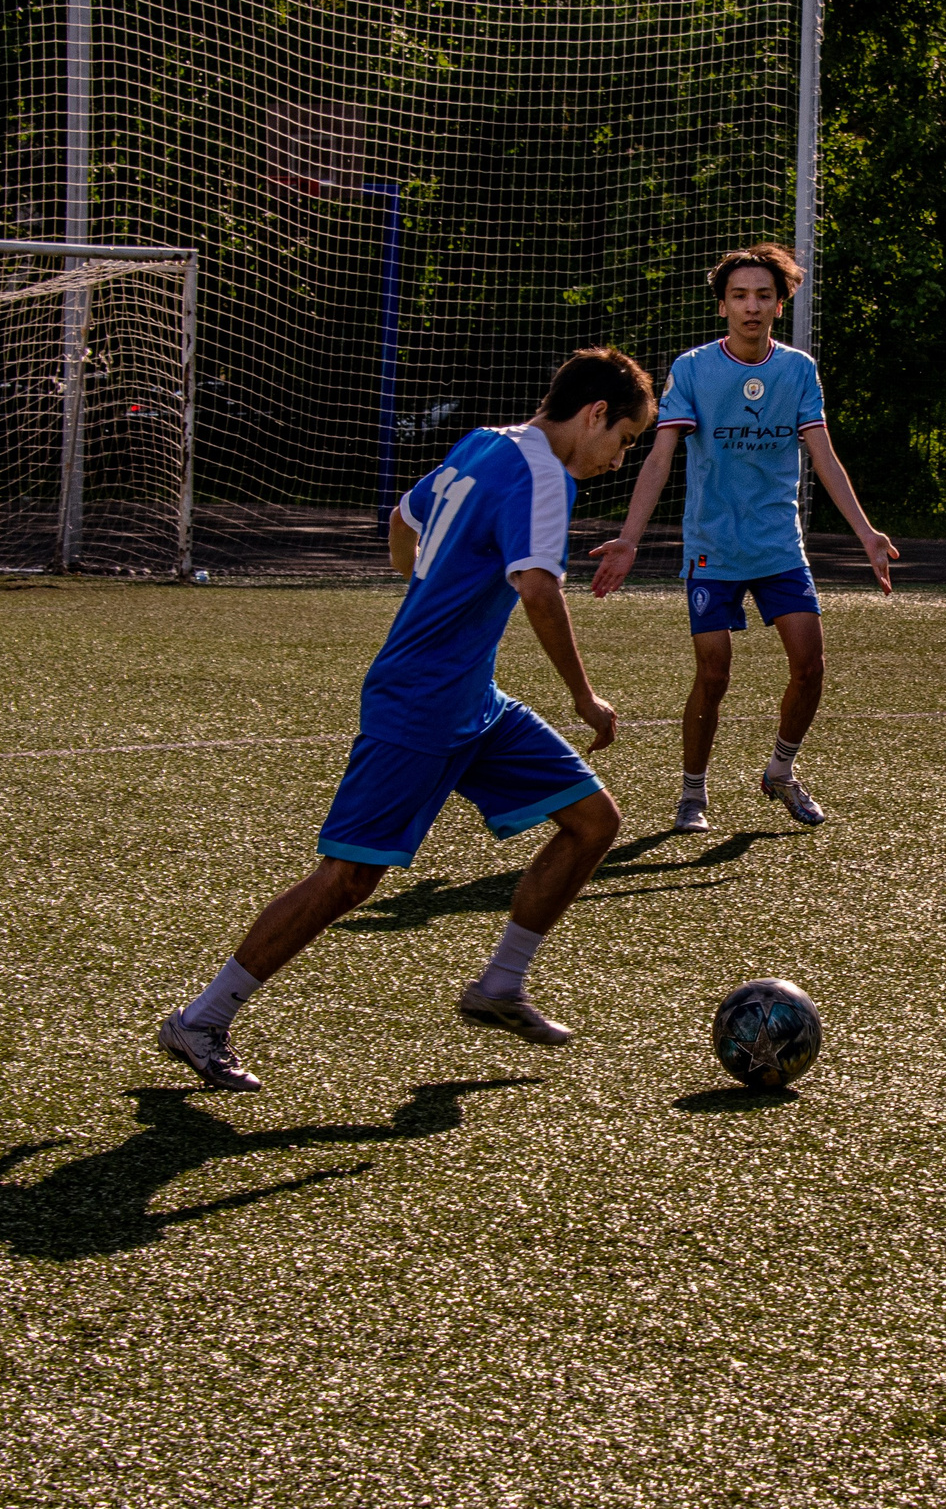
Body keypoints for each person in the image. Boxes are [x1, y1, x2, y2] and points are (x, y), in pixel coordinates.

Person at [156, 349, 652, 1093]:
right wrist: (584, 697)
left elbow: (403, 518)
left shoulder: (486, 440)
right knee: (348, 877)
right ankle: (201, 1018)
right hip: (420, 701)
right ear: (594, 415)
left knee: (593, 820)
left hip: (471, 701)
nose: (620, 459)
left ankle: (500, 984)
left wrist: (423, 587)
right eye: (625, 439)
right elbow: (540, 592)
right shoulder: (545, 475)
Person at [586, 244, 897, 833]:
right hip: (713, 547)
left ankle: (780, 771)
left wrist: (867, 533)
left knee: (810, 666)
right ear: (723, 305)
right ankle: (692, 794)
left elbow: (824, 457)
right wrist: (629, 539)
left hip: (778, 547)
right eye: (739, 296)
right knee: (714, 673)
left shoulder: (798, 370)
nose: (751, 306)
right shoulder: (696, 368)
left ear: (780, 305)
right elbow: (660, 456)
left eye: (763, 295)